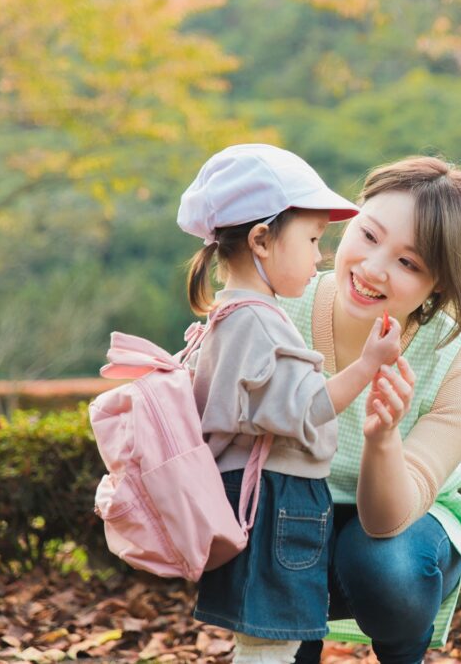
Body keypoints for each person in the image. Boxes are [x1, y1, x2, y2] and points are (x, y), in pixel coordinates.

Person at [176, 144, 409, 664]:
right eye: (311, 239)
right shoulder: (258, 321)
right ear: (261, 239)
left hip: (251, 496)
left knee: (262, 641)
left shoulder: (228, 315)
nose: (320, 255)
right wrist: (370, 363)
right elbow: (309, 409)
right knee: (273, 645)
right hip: (277, 500)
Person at [278, 156, 461, 664]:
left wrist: (383, 439)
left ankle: (404, 653)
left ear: (439, 283)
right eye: (370, 236)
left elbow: (385, 521)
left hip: (401, 527)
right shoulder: (276, 307)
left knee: (383, 565)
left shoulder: (459, 366)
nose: (373, 269)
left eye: (409, 263)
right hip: (289, 515)